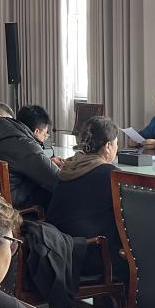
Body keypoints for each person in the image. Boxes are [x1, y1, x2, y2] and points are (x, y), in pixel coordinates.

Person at [46, 116, 125, 280]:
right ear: (108, 146)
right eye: (116, 143)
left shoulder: (69, 165)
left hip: (56, 249)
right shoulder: (110, 175)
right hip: (89, 253)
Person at [0, 104, 61, 210]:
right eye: (45, 134)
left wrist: (48, 161)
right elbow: (56, 179)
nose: (45, 139)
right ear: (37, 131)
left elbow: (16, 161)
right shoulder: (26, 145)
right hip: (10, 202)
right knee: (60, 190)